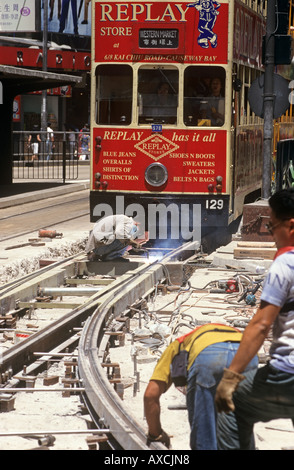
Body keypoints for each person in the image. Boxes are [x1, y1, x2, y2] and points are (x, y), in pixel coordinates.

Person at [215, 187, 294, 450]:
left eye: (272, 227)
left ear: (290, 226)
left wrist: (231, 377)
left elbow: (262, 324)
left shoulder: (285, 266)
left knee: (231, 405)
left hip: (287, 374)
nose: (272, 237)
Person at [144, 323, 258, 450]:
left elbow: (150, 395)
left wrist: (156, 434)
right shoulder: (230, 333)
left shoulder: (178, 344)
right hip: (247, 351)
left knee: (204, 433)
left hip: (208, 356)